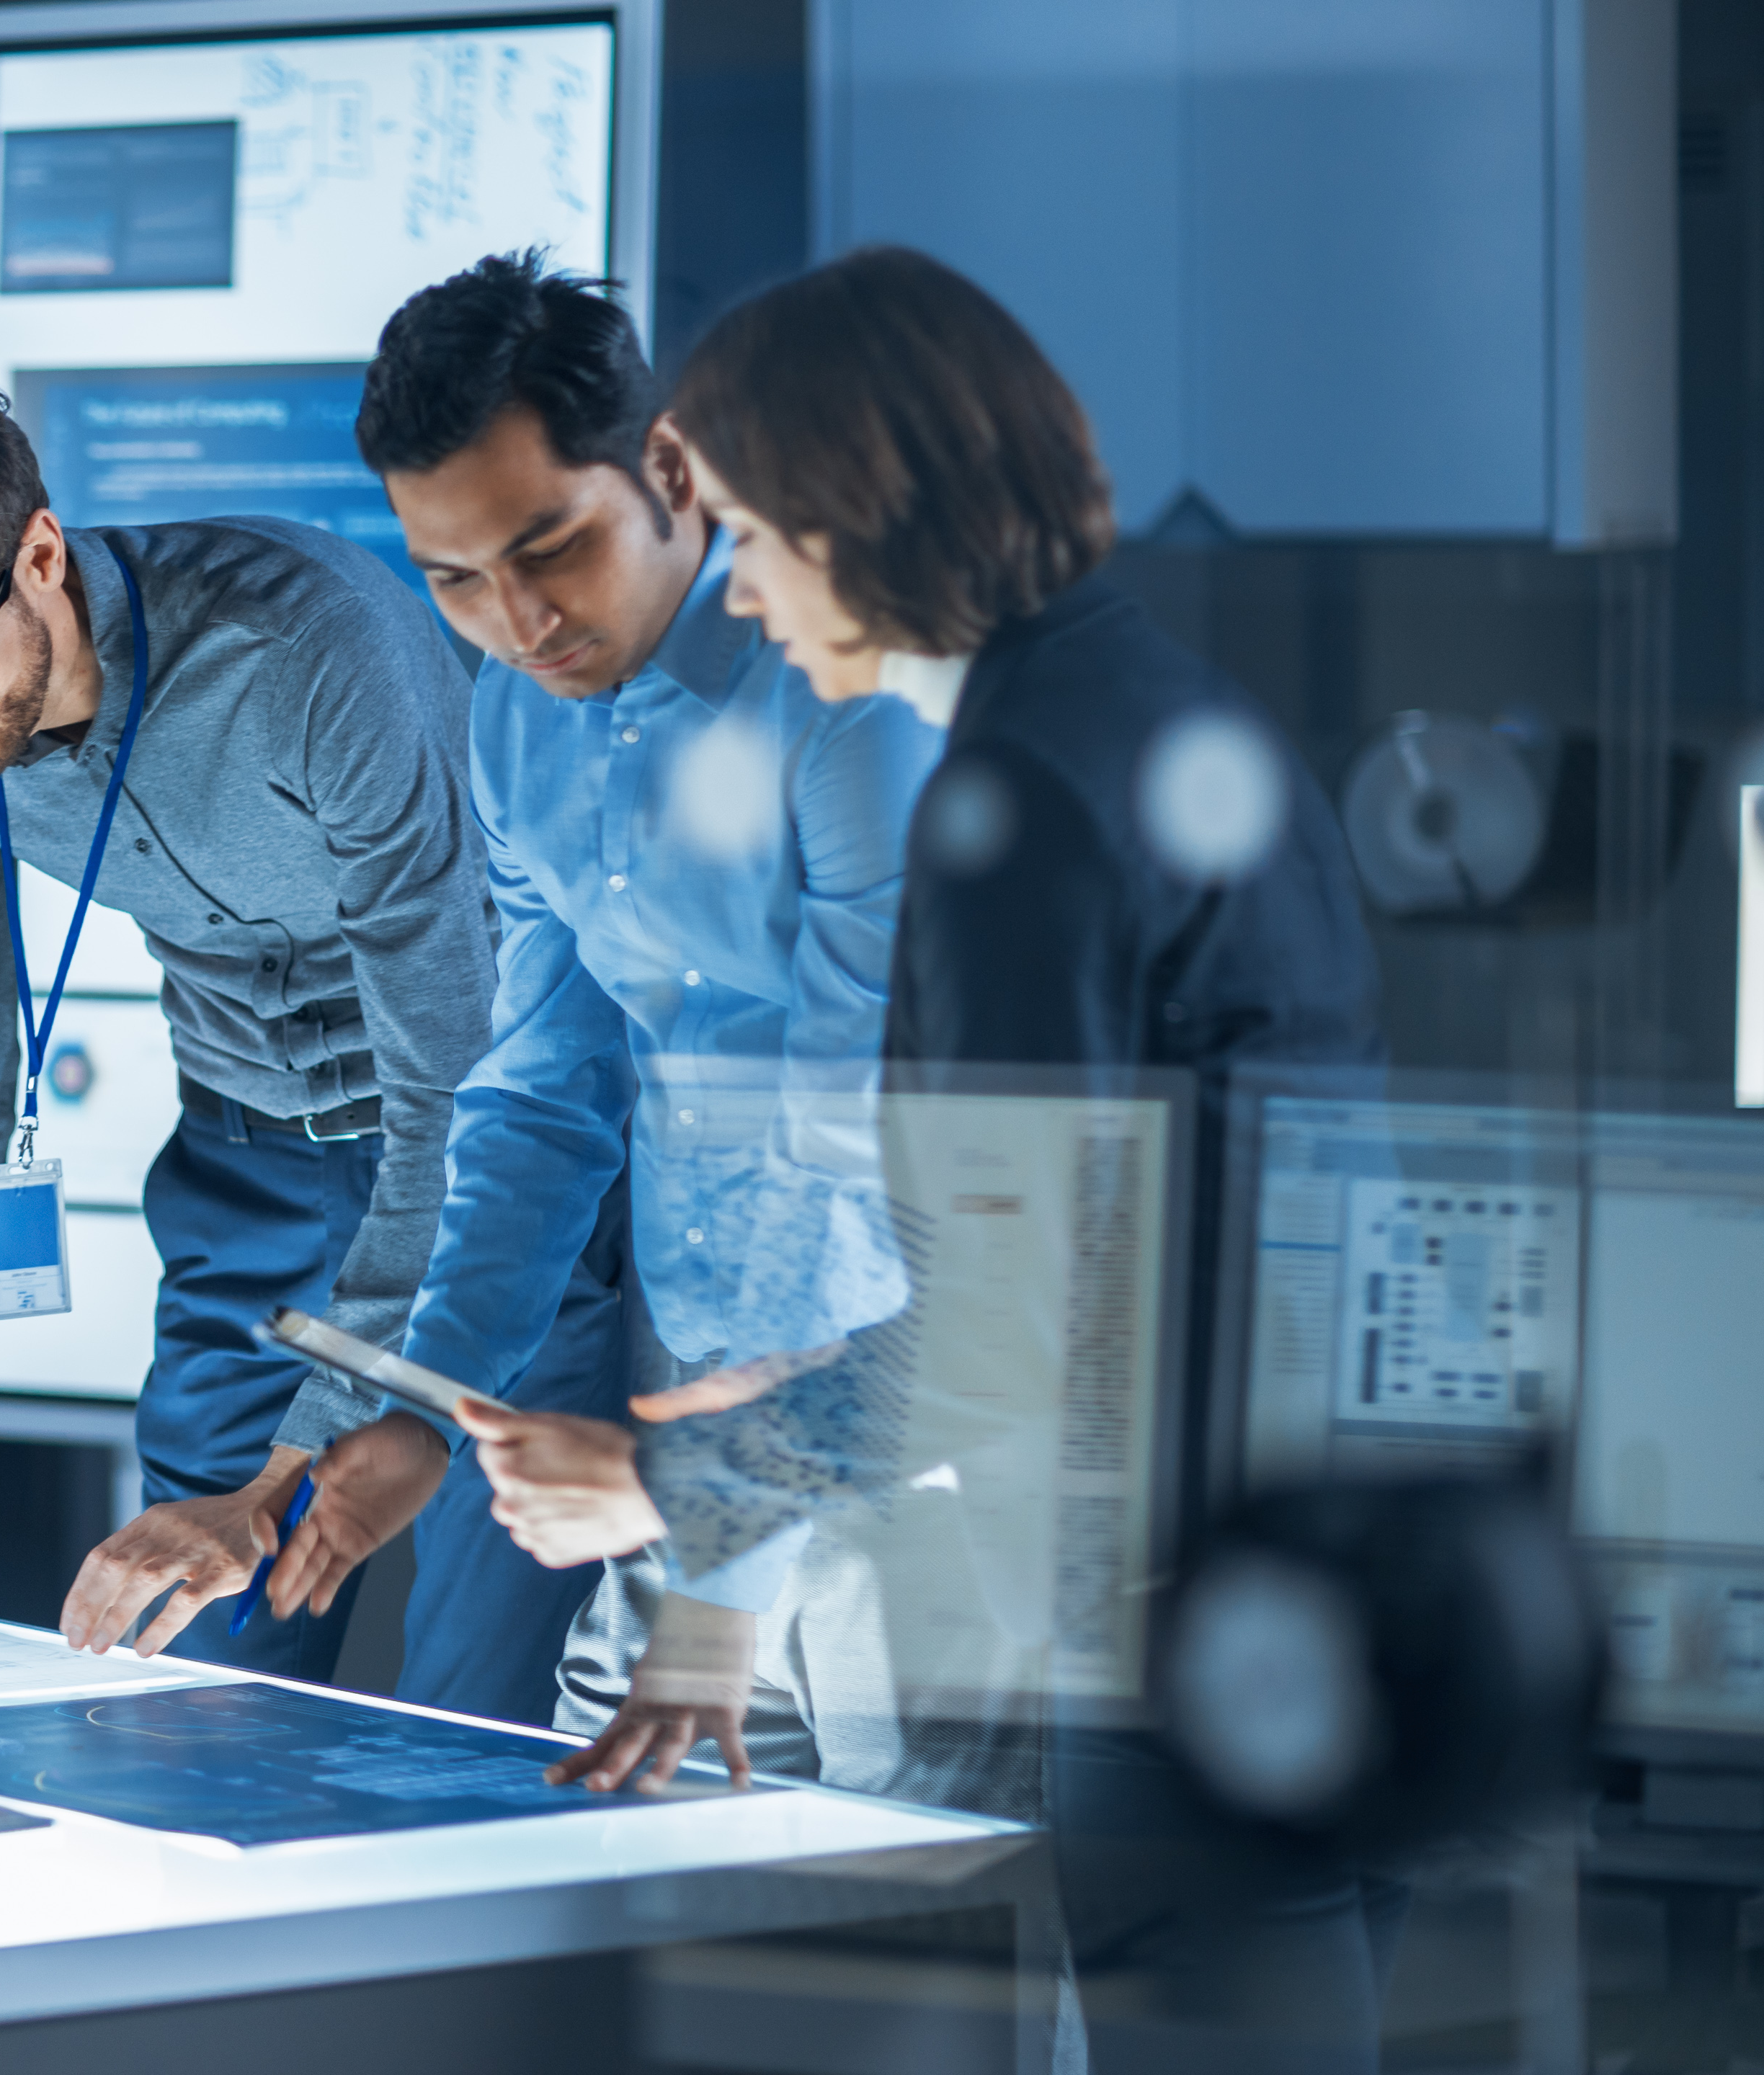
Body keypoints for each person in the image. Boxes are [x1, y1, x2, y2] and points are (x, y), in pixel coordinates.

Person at [518, 243, 1393, 2068]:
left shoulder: (1017, 803)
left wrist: (680, 1489)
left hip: (1164, 1606)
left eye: (748, 534)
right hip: (1273, 1574)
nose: (741, 598)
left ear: (854, 511)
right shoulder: (1159, 713)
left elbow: (1023, 1324)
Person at [0, 366, 495, 1685]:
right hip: (254, 1167)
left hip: (494, 1174)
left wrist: (289, 1476)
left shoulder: (307, 650)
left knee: (490, 1697)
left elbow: (456, 1097)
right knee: (190, 1683)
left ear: (39, 556)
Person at [228, 254, 940, 1752]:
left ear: (667, 466)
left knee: (928, 1918)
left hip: (887, 1425)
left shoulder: (842, 699)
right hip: (689, 1408)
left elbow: (859, 1150)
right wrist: (425, 1409)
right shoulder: (517, 724)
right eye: (453, 579)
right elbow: (540, 1103)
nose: (516, 620)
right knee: (601, 1863)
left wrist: (718, 1523)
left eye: (549, 547)